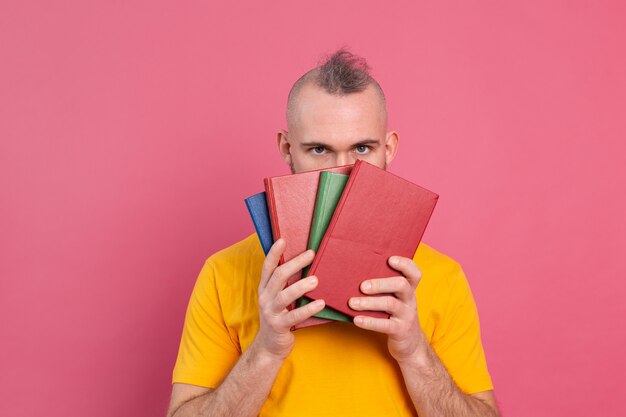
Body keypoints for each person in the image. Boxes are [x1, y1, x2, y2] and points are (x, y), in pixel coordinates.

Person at [166, 49, 500, 417]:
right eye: (319, 149)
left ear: (388, 149)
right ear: (286, 148)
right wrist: (267, 349)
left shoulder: (442, 276)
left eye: (362, 148)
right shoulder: (223, 272)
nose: (342, 172)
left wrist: (414, 351)